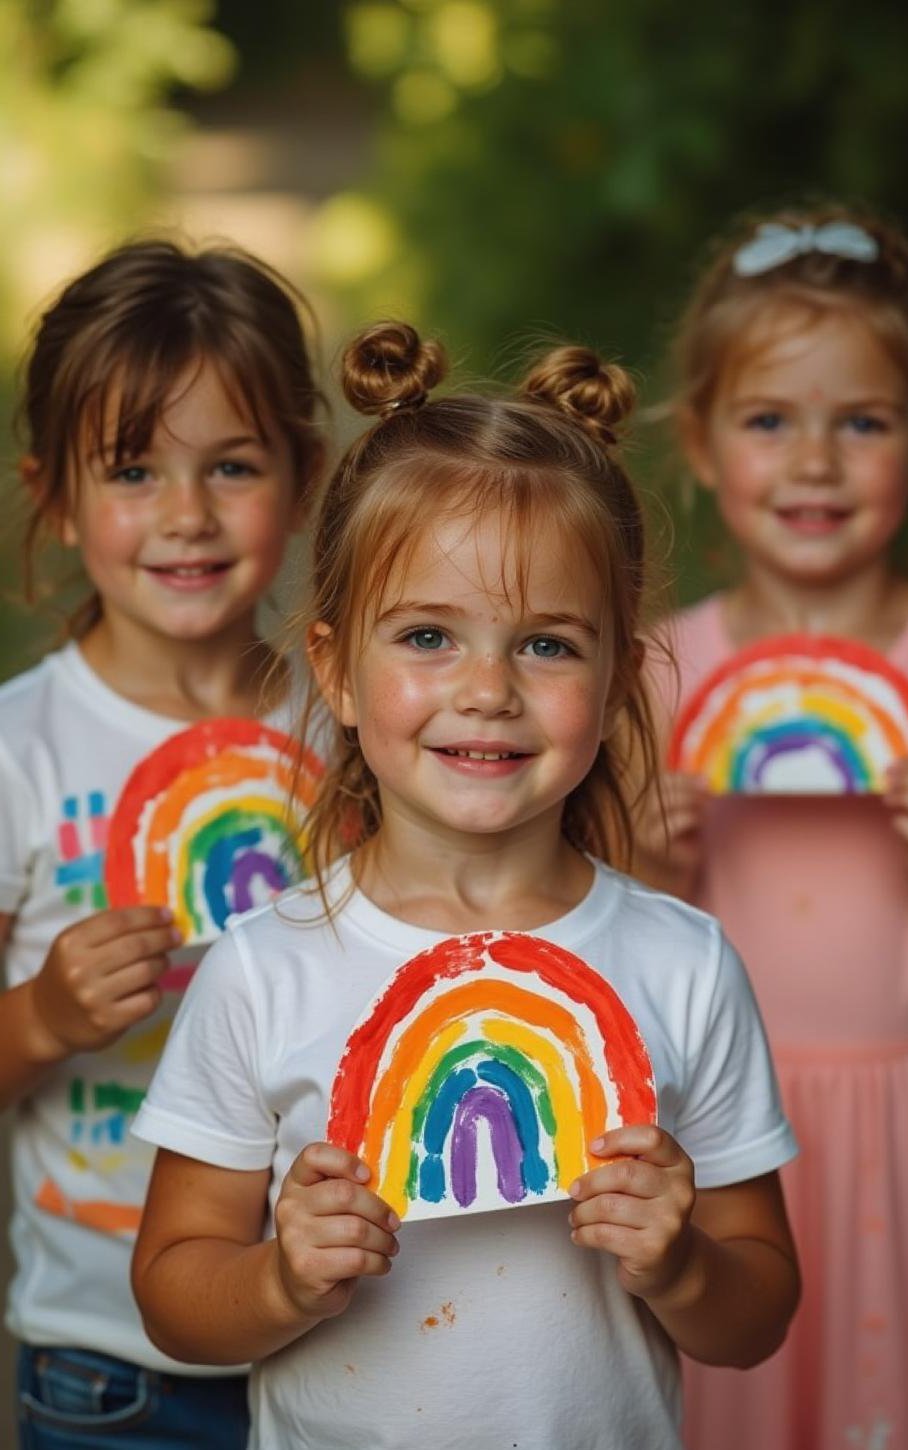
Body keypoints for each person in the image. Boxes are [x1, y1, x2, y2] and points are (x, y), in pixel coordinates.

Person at [130, 320, 800, 1450]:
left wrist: (680, 1261)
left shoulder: (682, 962)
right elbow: (171, 1286)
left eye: (545, 645)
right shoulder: (263, 966)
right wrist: (281, 1279)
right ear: (337, 671)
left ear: (619, 672)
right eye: (430, 635)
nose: (486, 689)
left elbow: (756, 1313)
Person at [635, 206, 908, 1450]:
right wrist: (643, 869)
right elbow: (594, 971)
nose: (813, 461)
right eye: (769, 419)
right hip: (726, 1149)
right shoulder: (658, 675)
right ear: (705, 444)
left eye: (862, 422)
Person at [0, 238, 325, 1448]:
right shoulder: (21, 752)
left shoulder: (354, 735)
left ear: (303, 473)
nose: (184, 516)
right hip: (106, 1367)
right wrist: (42, 1015)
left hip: (341, 1322)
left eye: (230, 465)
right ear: (54, 497)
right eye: (132, 470)